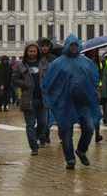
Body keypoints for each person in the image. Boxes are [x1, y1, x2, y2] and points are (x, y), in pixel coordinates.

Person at [41, 35, 102, 169]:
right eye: (71, 45)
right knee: (67, 134)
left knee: (89, 128)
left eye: (76, 45)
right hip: (65, 103)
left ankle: (81, 150)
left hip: (83, 102)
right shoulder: (57, 64)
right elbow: (50, 83)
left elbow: (94, 79)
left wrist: (94, 93)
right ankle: (70, 159)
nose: (74, 47)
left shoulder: (86, 62)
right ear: (67, 46)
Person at [12, 41, 49, 156]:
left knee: (43, 122)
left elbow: (49, 76)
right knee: (30, 124)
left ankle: (36, 136)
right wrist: (25, 83)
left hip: (42, 98)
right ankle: (33, 146)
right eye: (30, 51)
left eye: (34, 51)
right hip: (28, 98)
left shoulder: (43, 63)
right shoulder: (21, 65)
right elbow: (14, 80)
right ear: (26, 52)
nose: (32, 53)